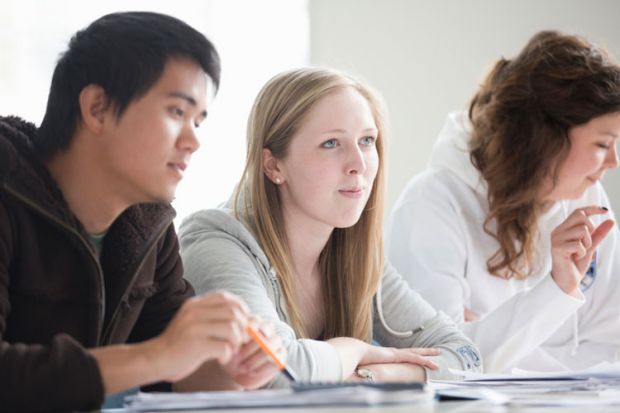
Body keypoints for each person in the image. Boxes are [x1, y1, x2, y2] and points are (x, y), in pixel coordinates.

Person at [0, 12, 283, 412]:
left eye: (199, 121)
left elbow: (177, 373)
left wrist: (232, 370)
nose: (193, 141)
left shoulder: (147, 225)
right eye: (176, 113)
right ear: (97, 108)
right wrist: (158, 354)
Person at [179, 67, 482, 387]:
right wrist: (352, 349)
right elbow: (276, 376)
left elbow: (467, 357)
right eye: (331, 143)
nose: (359, 164)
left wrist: (370, 374)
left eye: (367, 140)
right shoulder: (216, 242)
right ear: (273, 165)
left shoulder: (358, 252)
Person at [387, 31, 620, 373]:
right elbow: (437, 365)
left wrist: (487, 341)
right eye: (603, 144)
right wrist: (556, 291)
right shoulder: (431, 204)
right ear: (546, 138)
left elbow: (611, 353)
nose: (614, 160)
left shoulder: (586, 198)